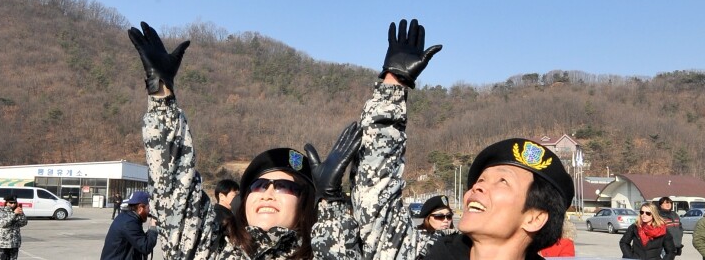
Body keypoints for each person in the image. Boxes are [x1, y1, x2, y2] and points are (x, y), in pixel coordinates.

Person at [128, 21, 362, 260]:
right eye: (259, 185)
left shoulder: (326, 252)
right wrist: (161, 94)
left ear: (305, 202)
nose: (267, 193)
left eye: (284, 186)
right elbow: (175, 196)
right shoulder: (214, 253)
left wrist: (332, 204)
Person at [351, 19, 575, 260]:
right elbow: (375, 199)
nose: (476, 188)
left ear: (535, 218)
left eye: (502, 181)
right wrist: (394, 84)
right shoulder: (424, 253)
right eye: (480, 179)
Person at [100, 190, 159, 260]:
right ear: (140, 208)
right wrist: (153, 227)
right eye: (148, 208)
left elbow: (138, 240)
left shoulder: (127, 217)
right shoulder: (129, 223)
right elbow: (145, 247)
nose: (149, 212)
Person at [0, 194, 28, 260]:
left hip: (14, 243)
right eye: (11, 202)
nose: (13, 204)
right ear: (6, 203)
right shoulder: (1, 211)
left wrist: (21, 214)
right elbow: (3, 224)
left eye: (14, 203)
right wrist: (14, 214)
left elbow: (23, 223)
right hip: (3, 243)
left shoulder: (17, 211)